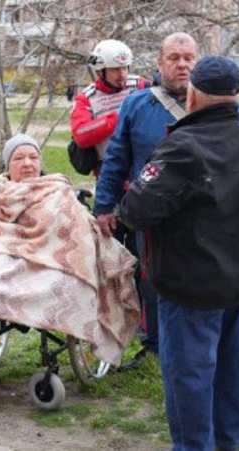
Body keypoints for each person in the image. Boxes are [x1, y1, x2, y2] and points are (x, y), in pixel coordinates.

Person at [117, 56, 239, 451]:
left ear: (193, 94)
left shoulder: (182, 148)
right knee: (232, 373)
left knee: (190, 379)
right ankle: (228, 441)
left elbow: (135, 211)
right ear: (234, 94)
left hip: (190, 290)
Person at [0, 134, 140, 400]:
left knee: (60, 286)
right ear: (7, 165)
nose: (27, 163)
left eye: (33, 157)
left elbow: (74, 231)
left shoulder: (57, 190)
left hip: (47, 263)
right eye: (19, 158)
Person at [93, 32, 198, 370]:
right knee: (151, 278)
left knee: (197, 279)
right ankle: (155, 343)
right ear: (159, 62)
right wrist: (104, 206)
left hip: (201, 213)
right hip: (152, 214)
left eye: (188, 57)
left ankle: (194, 338)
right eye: (174, 57)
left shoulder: (215, 102)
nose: (182, 64)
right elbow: (116, 158)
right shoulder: (137, 104)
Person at [70, 39, 147, 174]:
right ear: (100, 72)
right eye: (115, 70)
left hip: (142, 165)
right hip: (108, 170)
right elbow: (81, 135)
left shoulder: (140, 85)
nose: (122, 75)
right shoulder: (87, 98)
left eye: (124, 68)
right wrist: (119, 117)